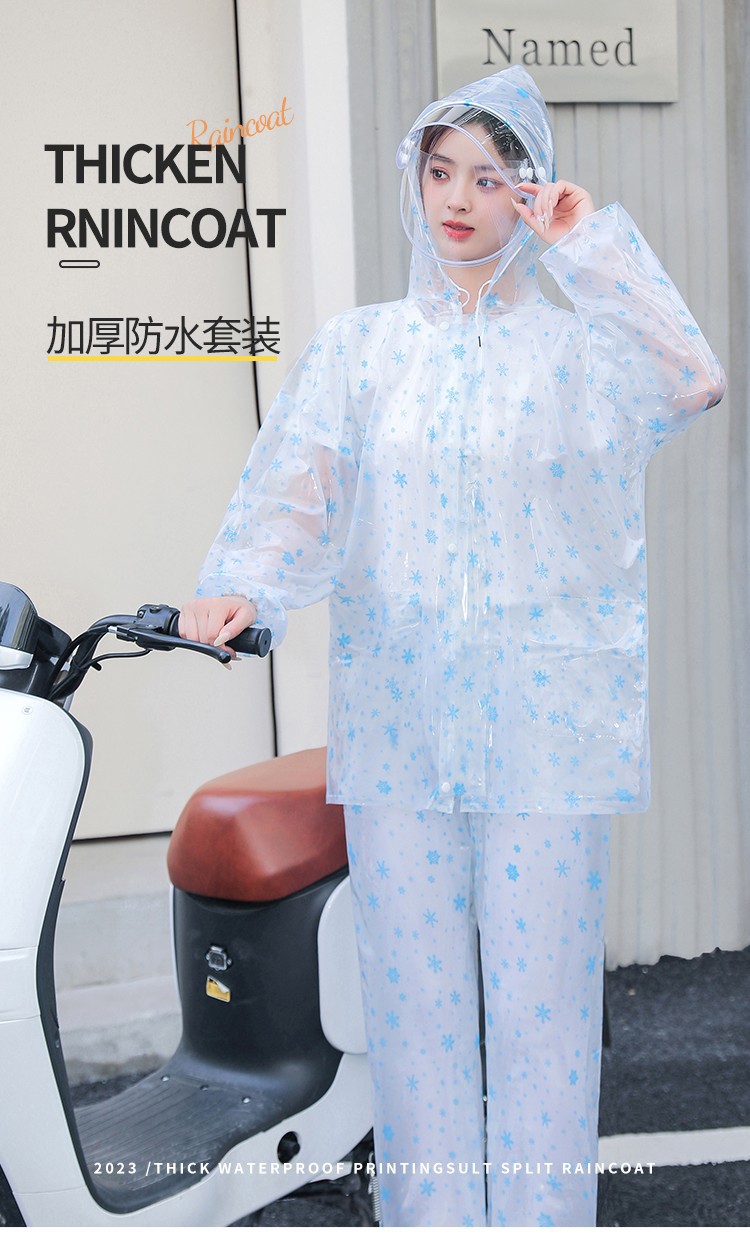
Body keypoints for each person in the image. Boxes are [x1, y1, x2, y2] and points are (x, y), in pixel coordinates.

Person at [180, 67, 725, 1227]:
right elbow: (294, 500)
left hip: (547, 736)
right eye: (440, 173)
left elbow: (693, 377)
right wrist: (240, 587)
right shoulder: (362, 353)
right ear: (414, 185)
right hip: (402, 729)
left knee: (541, 1014)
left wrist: (589, 247)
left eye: (488, 177)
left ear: (528, 190)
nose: (459, 200)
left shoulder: (578, 353)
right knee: (414, 1017)